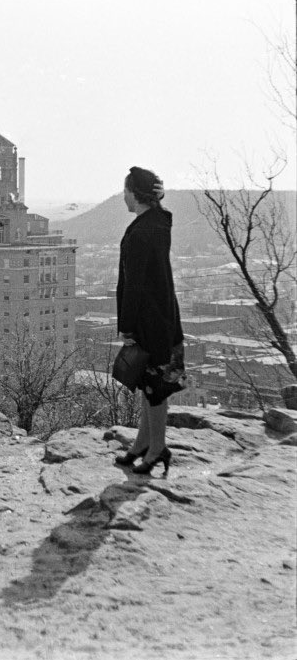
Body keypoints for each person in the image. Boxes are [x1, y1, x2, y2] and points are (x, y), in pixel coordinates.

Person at [114, 166, 186, 474]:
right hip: (164, 314)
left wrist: (127, 325)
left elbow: (135, 285)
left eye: (126, 190)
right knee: (148, 383)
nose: (123, 196)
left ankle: (157, 448)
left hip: (148, 321)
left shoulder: (141, 233)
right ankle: (143, 443)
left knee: (155, 386)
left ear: (136, 195)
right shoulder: (157, 223)